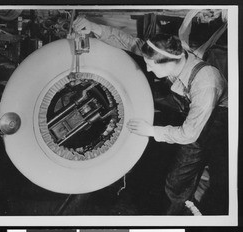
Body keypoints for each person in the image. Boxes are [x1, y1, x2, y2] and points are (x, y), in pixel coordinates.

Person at [73, 16, 228, 215]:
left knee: (177, 179)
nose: (147, 68)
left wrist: (151, 130)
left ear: (170, 62)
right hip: (191, 106)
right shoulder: (168, 56)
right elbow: (128, 42)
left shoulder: (205, 83)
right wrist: (94, 27)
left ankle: (172, 219)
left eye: (152, 65)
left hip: (217, 119)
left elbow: (189, 134)